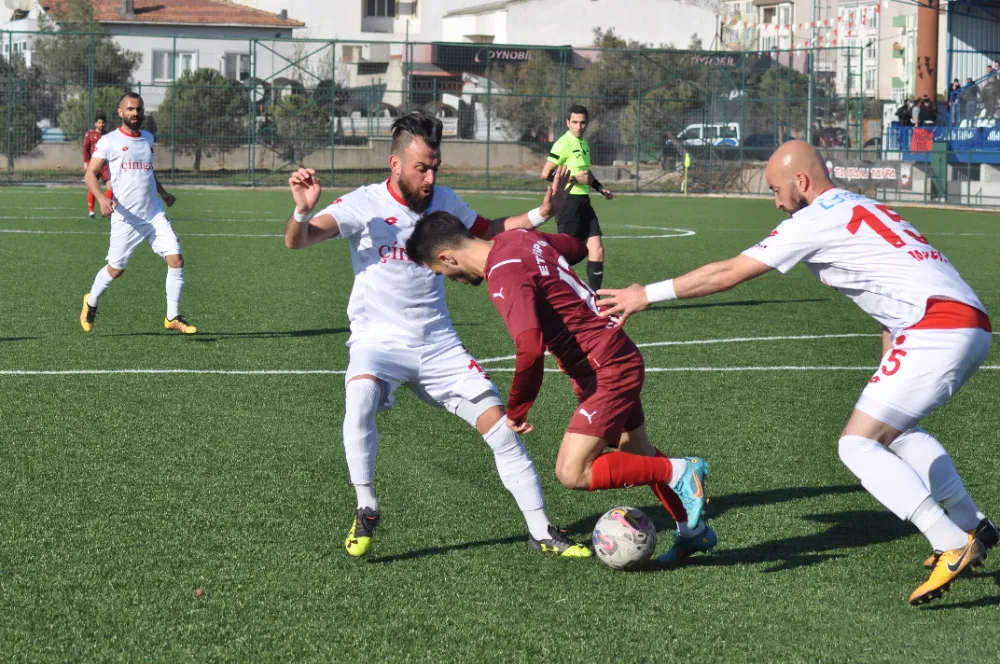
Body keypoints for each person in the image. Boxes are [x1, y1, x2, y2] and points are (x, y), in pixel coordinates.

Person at [598, 140, 996, 604]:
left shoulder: (813, 219)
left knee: (856, 445)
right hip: (966, 321)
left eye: (775, 189)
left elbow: (729, 272)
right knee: (897, 433)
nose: (775, 200)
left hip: (935, 328)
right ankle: (973, 524)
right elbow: (895, 280)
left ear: (802, 182)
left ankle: (950, 541)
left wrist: (646, 293)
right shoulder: (861, 204)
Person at [284, 112, 591, 559]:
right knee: (360, 399)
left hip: (439, 346)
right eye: (421, 168)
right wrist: (302, 209)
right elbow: (299, 240)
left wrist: (543, 212)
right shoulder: (363, 203)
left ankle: (542, 531)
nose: (429, 178)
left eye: (435, 168)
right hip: (378, 344)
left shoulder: (445, 201)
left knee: (503, 431)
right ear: (395, 164)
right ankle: (367, 504)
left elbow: (489, 231)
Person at [405, 216, 716, 565]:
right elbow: (576, 247)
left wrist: (518, 410)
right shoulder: (518, 238)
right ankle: (692, 533)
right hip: (610, 355)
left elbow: (529, 348)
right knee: (637, 452)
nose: (452, 280)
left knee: (572, 471)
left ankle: (681, 471)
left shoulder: (504, 273)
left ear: (448, 258)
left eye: (441, 272)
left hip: (604, 367)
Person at [80, 92, 194, 335]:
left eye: (139, 109)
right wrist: (102, 199)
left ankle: (172, 316)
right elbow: (90, 174)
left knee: (176, 260)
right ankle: (91, 302)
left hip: (153, 214)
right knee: (116, 269)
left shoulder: (147, 138)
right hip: (126, 218)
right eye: (130, 109)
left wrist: (163, 194)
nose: (135, 113)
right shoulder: (109, 141)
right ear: (120, 112)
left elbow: (148, 173)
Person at [541, 105, 613, 292]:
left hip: (584, 202)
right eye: (574, 122)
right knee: (565, 254)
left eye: (582, 123)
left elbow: (585, 174)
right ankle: (551, 292)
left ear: (586, 123)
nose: (578, 126)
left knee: (597, 249)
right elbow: (546, 173)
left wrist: (600, 188)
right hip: (568, 202)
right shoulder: (563, 144)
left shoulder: (583, 144)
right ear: (568, 122)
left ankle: (594, 299)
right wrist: (572, 178)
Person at [83, 113, 113, 218]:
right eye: (99, 122)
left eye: (103, 122)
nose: (101, 124)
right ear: (95, 123)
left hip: (104, 165)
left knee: (110, 186)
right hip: (94, 164)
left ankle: (106, 210)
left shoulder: (107, 135)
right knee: (93, 187)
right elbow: (85, 148)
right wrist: (86, 162)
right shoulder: (89, 134)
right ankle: (91, 211)